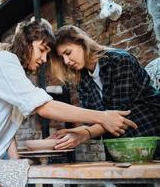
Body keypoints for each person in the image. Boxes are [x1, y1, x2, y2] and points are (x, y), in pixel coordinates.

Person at [0, 21, 137, 187]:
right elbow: (43, 107)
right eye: (42, 49)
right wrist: (102, 116)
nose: (45, 59)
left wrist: (16, 169)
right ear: (27, 41)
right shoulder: (4, 61)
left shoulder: (11, 72)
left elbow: (6, 132)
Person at [48, 25, 160, 154]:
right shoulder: (82, 80)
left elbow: (117, 113)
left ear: (83, 43)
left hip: (149, 138)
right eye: (62, 58)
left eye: (68, 53)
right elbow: (93, 120)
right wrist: (73, 133)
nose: (66, 61)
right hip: (118, 149)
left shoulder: (120, 60)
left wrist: (84, 134)